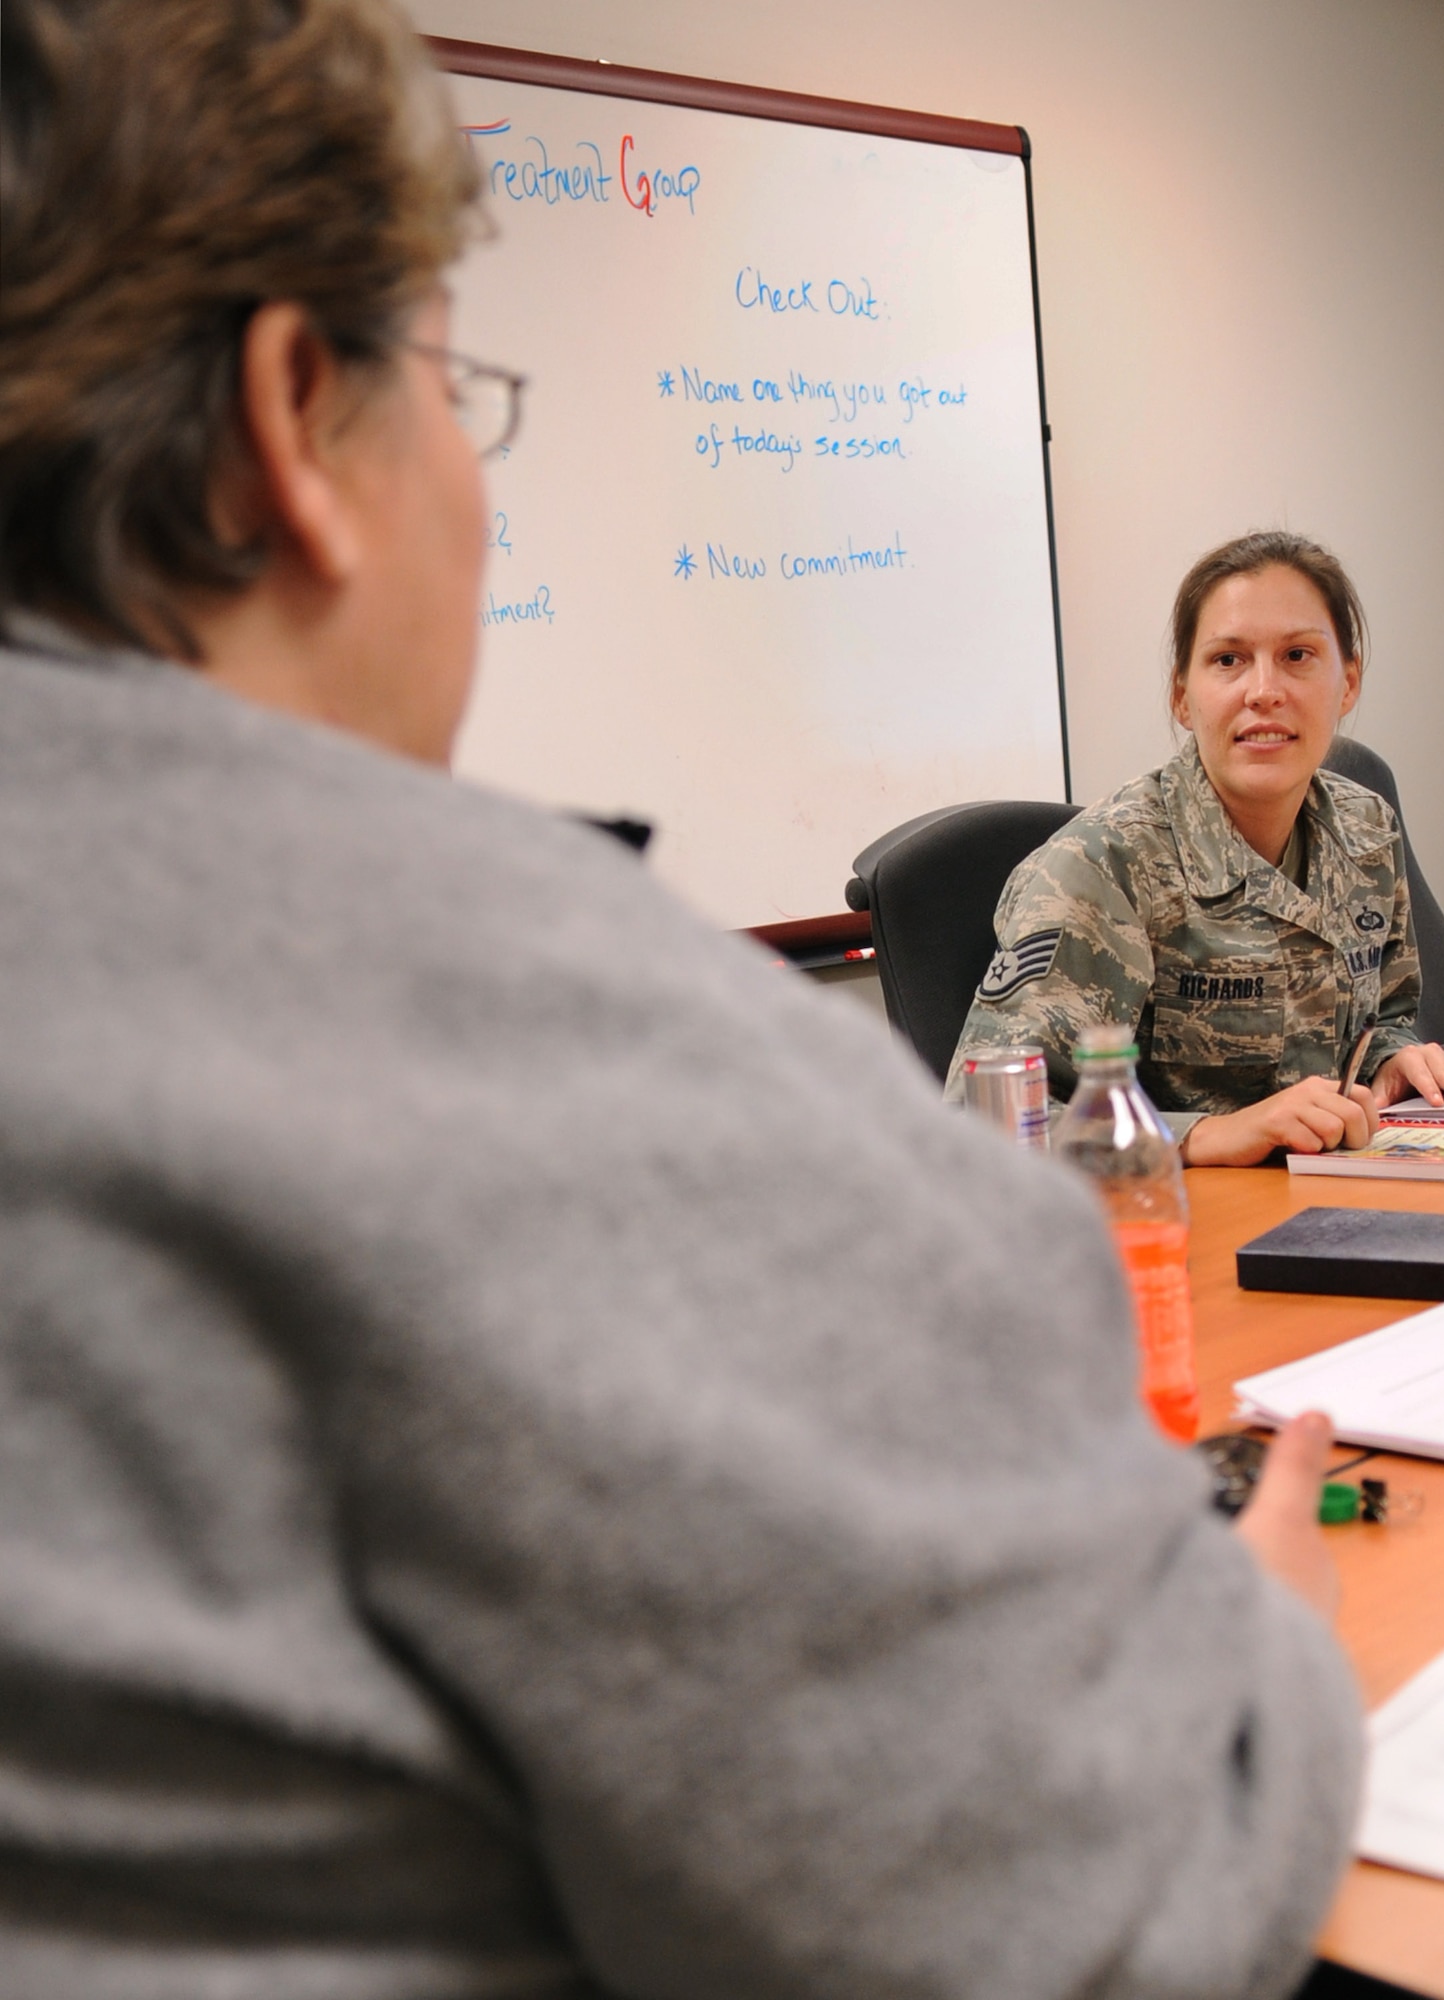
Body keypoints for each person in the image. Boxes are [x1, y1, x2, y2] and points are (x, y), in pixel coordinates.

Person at [1, 5, 1362, 1996]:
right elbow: (1097, 1889)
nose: (1261, 692)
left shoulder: (1353, 834)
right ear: (297, 416)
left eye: (1297, 657)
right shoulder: (528, 1038)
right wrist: (1279, 1629)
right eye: (457, 389)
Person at [946, 532, 1444, 1165]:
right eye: (1228, 660)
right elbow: (985, 1125)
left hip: (1325, 1203)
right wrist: (1202, 1134)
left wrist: (1395, 1059)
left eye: (1298, 655)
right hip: (1165, 1225)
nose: (1263, 690)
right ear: (1182, 695)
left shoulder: (1368, 830)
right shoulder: (1103, 866)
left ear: (1347, 683)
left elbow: (1384, 1016)